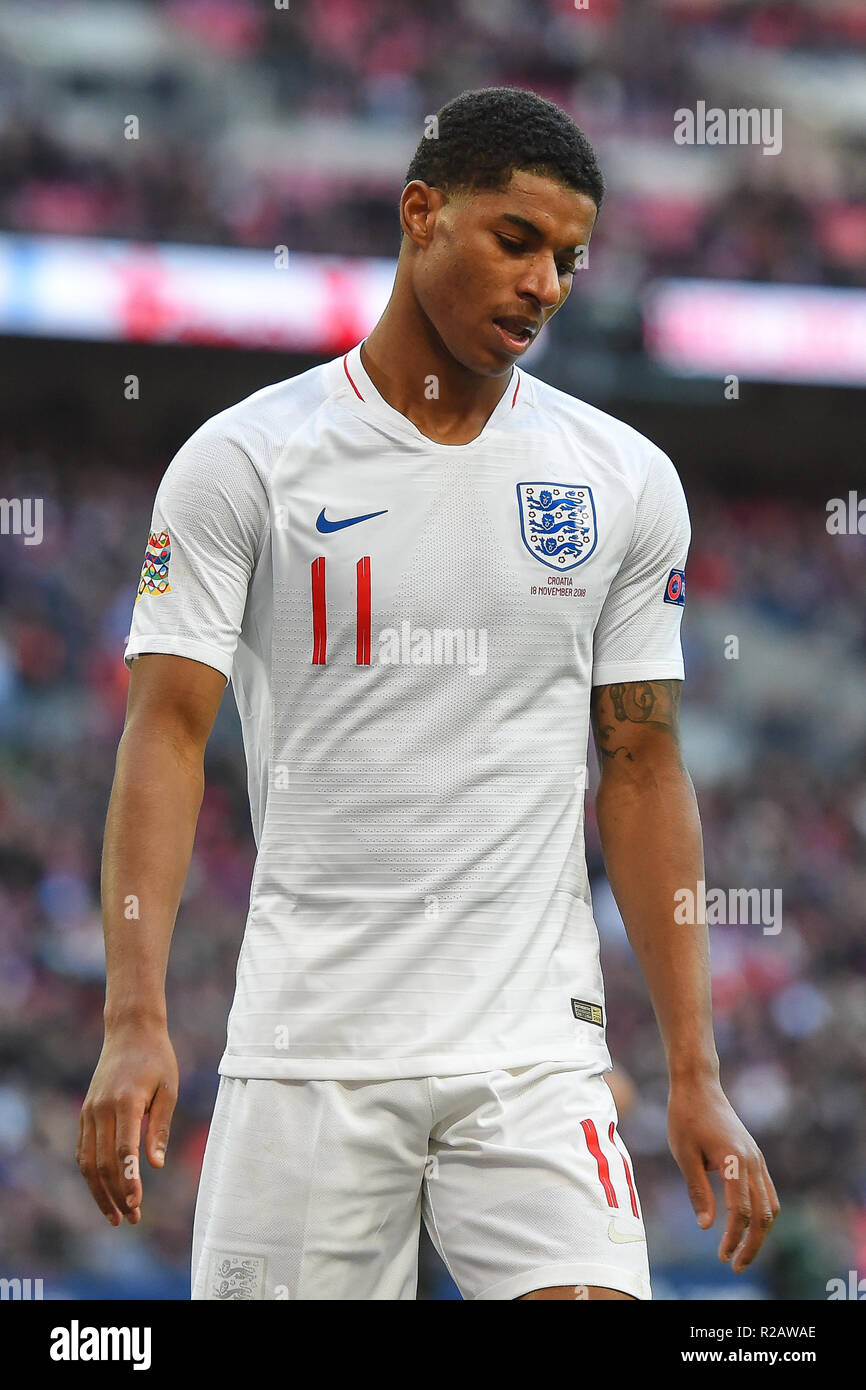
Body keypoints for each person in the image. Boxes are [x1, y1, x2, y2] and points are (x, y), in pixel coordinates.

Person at [77, 86, 778, 1301]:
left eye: (567, 259)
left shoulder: (620, 480)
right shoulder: (246, 460)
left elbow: (643, 768)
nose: (546, 286)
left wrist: (692, 1068)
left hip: (533, 1059)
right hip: (310, 1051)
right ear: (420, 214)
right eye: (515, 241)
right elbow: (167, 732)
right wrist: (134, 1015)